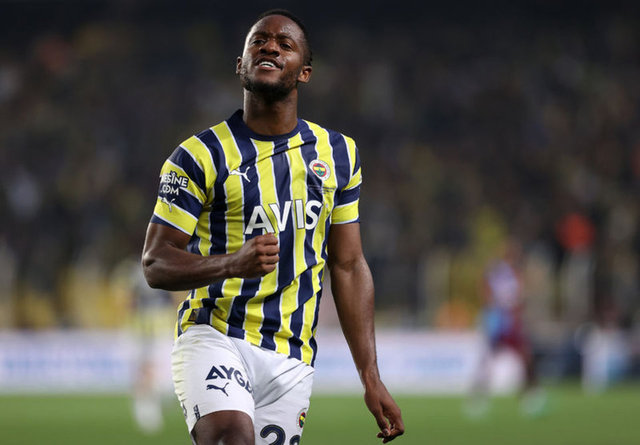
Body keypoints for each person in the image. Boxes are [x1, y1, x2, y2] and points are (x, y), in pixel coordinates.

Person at [141, 9, 404, 445]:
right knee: (231, 437)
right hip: (215, 334)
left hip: (291, 358)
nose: (270, 47)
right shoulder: (199, 156)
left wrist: (370, 376)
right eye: (258, 41)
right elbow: (155, 263)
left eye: (285, 44)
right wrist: (232, 264)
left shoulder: (338, 154)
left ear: (304, 73)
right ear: (240, 65)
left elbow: (348, 265)